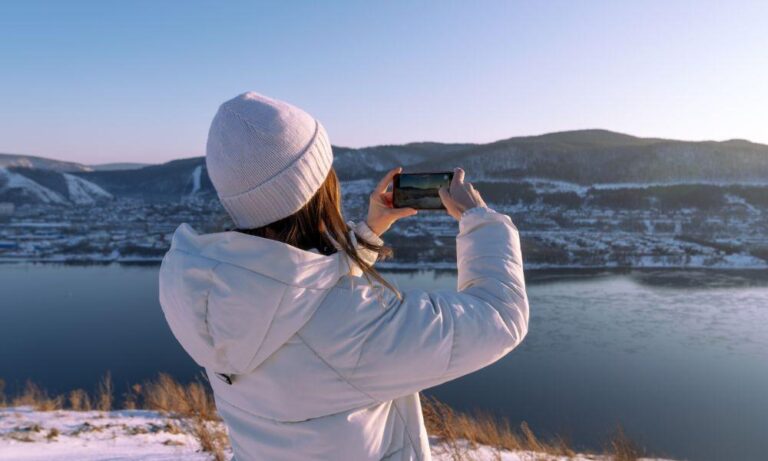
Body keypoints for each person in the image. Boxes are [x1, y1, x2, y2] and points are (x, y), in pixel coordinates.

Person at [158, 92, 529, 461]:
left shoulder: (208, 291)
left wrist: (366, 234)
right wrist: (480, 220)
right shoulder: (355, 323)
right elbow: (500, 316)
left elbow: (292, 292)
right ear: (317, 188)